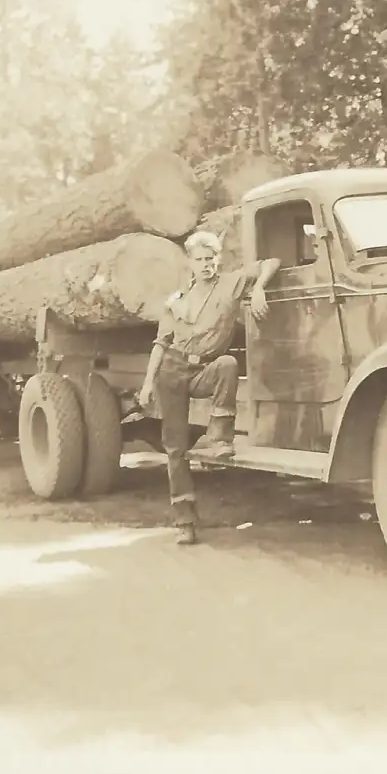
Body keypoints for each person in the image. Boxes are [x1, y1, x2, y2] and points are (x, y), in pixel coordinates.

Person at [139, 231, 281, 545]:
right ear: (189, 263)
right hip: (172, 370)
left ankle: (220, 437)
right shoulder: (178, 299)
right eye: (199, 259)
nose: (205, 264)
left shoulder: (230, 283)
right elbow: (161, 344)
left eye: (210, 258)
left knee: (228, 364)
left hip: (204, 368)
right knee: (175, 450)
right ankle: (184, 521)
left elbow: (272, 262)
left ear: (218, 259)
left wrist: (258, 288)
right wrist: (148, 383)